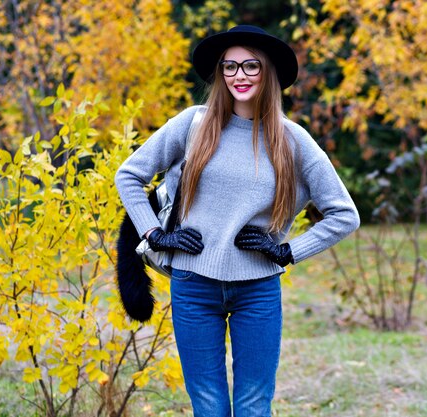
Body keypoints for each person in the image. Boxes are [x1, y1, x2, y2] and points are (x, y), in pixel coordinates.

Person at [115, 25, 360, 417]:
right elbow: (128, 175)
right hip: (193, 286)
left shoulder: (292, 140)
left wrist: (287, 251)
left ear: (269, 73)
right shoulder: (193, 125)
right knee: (209, 406)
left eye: (250, 65)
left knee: (252, 406)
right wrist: (154, 233)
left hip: (258, 290)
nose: (239, 75)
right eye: (229, 67)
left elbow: (345, 214)